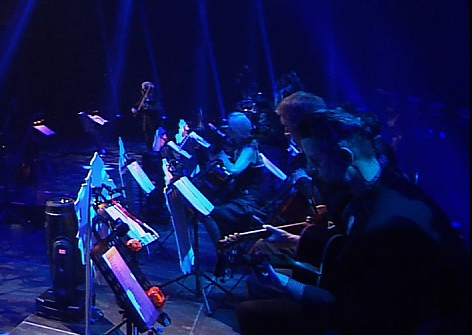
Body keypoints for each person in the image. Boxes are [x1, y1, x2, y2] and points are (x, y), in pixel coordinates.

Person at [235, 108, 470, 335]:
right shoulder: (379, 185)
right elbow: (356, 254)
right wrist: (294, 241)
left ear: (346, 157)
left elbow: (352, 312)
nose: (312, 170)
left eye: (316, 161)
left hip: (413, 325)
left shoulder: (389, 224)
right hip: (384, 313)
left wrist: (281, 283)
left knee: (254, 315)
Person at [198, 112, 267, 276]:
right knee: (209, 210)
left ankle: (223, 252)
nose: (228, 133)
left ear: (237, 131)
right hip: (239, 197)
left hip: (248, 202)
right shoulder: (242, 147)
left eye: (230, 130)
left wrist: (222, 156)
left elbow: (234, 171)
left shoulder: (250, 149)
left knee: (209, 214)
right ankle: (225, 249)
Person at [130, 81, 164, 151]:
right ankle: (150, 150)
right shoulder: (143, 98)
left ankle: (156, 150)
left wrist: (147, 106)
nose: (142, 91)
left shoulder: (156, 98)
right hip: (146, 121)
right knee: (147, 135)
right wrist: (134, 109)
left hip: (154, 121)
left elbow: (157, 108)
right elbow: (136, 105)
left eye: (143, 89)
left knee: (154, 136)